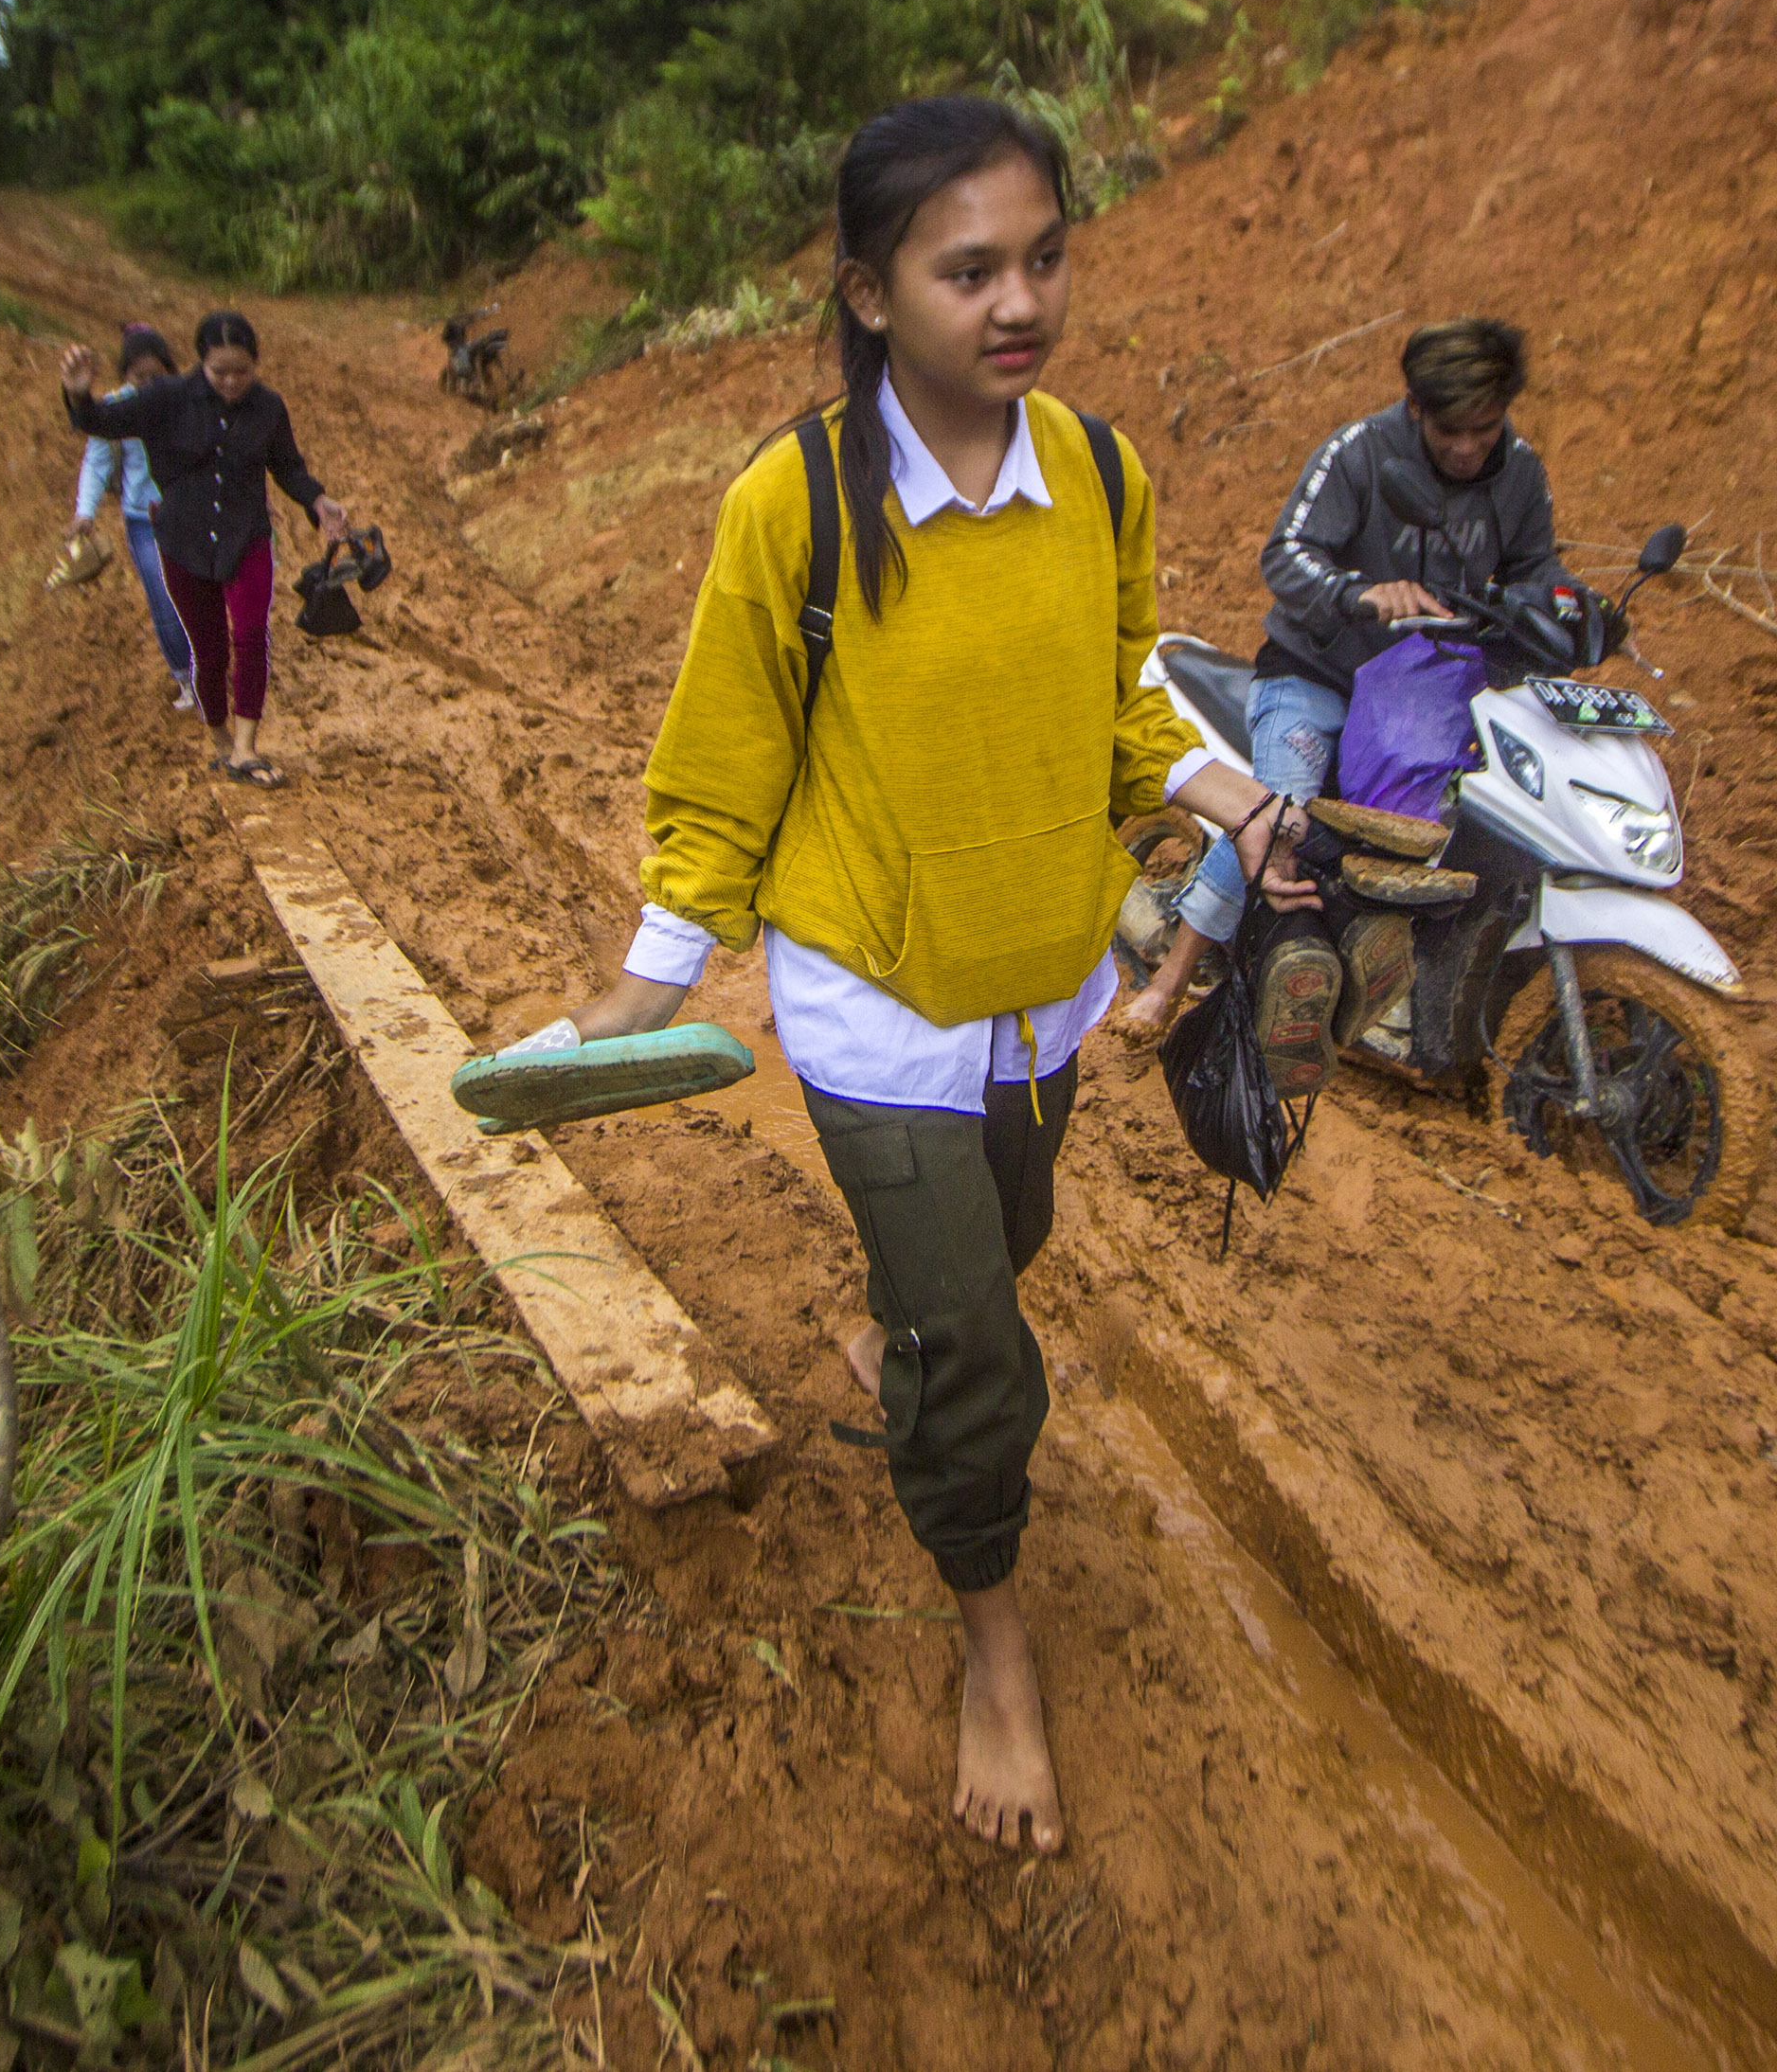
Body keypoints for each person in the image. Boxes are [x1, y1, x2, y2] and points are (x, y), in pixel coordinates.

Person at [550, 96, 1317, 1855]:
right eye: (967, 267)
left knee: (1000, 1248)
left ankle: (905, 1313)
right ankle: (993, 1641)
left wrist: (1226, 797)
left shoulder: (1100, 478)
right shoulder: (795, 503)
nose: (1017, 298)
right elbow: (725, 760)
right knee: (984, 1351)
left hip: (1043, 986)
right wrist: (652, 983)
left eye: (1043, 255)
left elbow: (1118, 697)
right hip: (871, 1003)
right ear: (870, 290)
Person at [1112, 319, 1557, 1086]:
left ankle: (1391, 984)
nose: (1467, 448)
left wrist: (1565, 607)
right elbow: (1283, 555)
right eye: (1452, 430)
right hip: (1317, 675)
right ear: (1416, 407)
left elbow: (1538, 570)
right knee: (1276, 809)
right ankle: (1168, 981)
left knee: (1463, 824)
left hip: (1431, 694)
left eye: (1484, 429)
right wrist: (1358, 595)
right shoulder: (1358, 452)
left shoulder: (1518, 472)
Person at [61, 310, 349, 787]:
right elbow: (100, 421)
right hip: (183, 543)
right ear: (200, 363)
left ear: (256, 365)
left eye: (243, 371)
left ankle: (245, 747)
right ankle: (220, 740)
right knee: (209, 650)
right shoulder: (165, 399)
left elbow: (288, 466)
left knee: (252, 635)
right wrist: (77, 392)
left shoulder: (269, 409)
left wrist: (318, 501)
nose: (233, 381)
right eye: (220, 372)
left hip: (247, 536)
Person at [63, 323, 196, 714]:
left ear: (171, 372)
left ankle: (209, 662)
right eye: (140, 378)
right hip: (143, 520)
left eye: (157, 376)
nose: (149, 385)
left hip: (187, 512)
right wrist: (84, 513)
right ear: (125, 378)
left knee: (199, 593)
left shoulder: (187, 401)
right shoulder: (117, 410)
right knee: (163, 597)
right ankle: (187, 677)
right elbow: (96, 458)